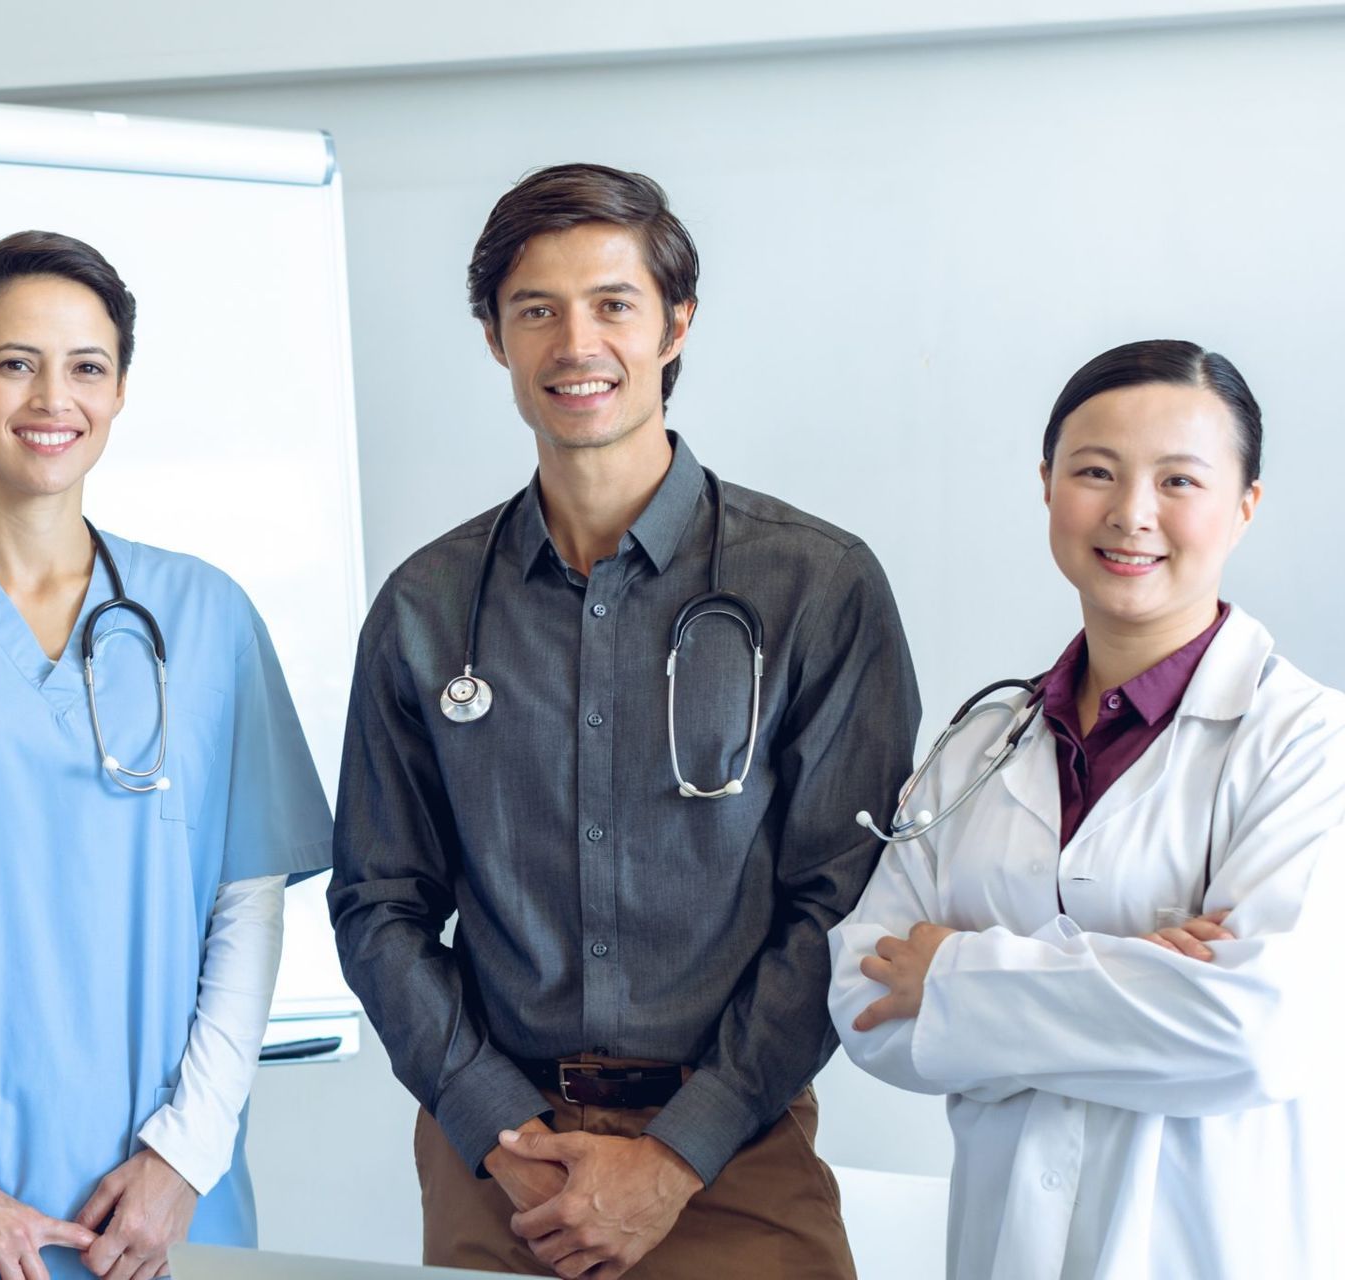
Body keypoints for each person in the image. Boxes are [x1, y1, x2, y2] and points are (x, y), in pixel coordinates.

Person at [330, 163, 920, 1279]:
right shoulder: (426, 606)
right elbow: (379, 901)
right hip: (503, 1167)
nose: (574, 343)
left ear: (675, 323)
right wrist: (497, 1126)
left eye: (613, 304)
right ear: (495, 338)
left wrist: (678, 1152)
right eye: (535, 311)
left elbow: (842, 900)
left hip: (733, 1153)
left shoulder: (815, 586)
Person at [0, 230, 332, 1280]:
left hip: (158, 1206)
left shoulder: (204, 615)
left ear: (118, 391)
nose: (50, 398)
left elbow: (246, 908)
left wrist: (184, 1154)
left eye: (86, 367)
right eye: (16, 361)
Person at [829, 340, 1345, 1279]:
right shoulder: (983, 745)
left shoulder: (1310, 745)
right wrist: (1138, 978)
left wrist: (954, 973)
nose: (1131, 514)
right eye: (1095, 472)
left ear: (1245, 507)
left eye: (1179, 480)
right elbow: (865, 995)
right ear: (1048, 485)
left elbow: (1253, 1029)